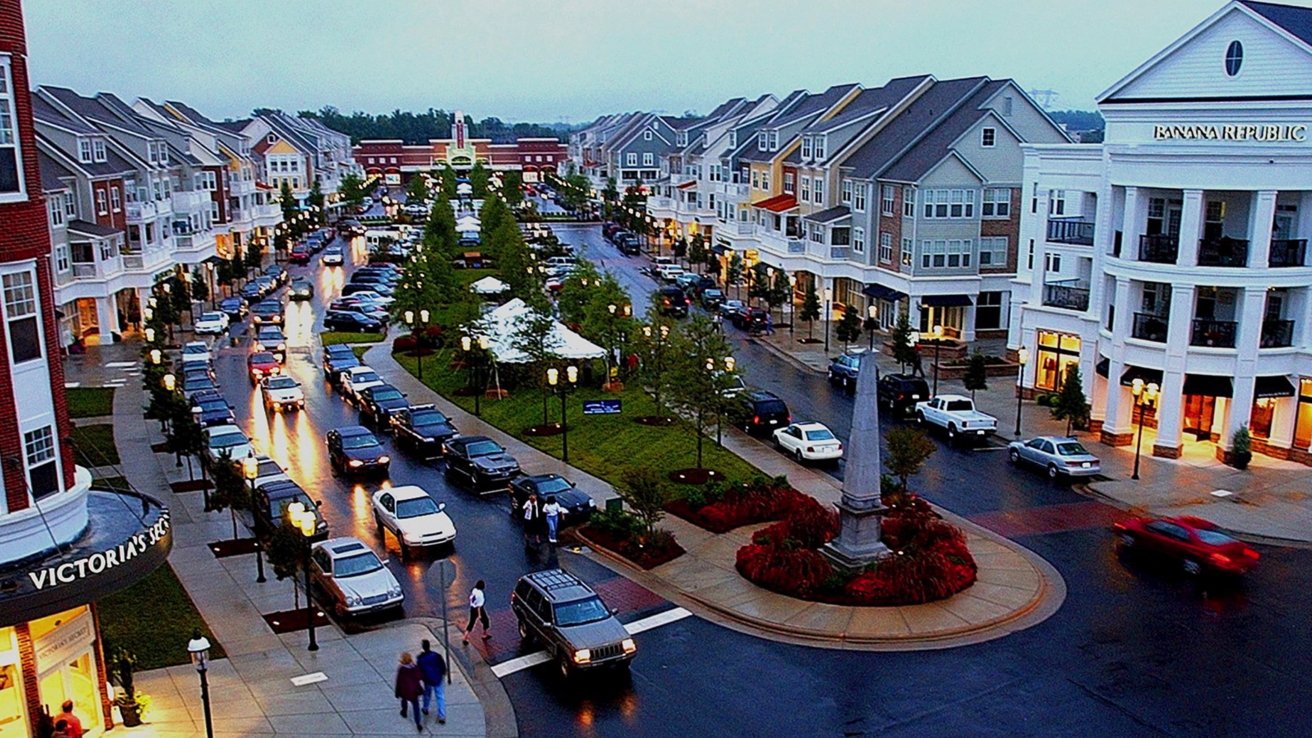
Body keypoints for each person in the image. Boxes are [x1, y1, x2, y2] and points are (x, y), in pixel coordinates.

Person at [416, 639, 447, 725]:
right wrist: (443, 673)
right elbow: (442, 666)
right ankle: (442, 715)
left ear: (423, 647)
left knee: (427, 694)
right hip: (437, 678)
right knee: (440, 696)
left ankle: (425, 708)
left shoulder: (420, 658)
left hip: (427, 679)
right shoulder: (436, 655)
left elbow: (419, 670)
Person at [394, 652, 423, 732]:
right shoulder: (415, 668)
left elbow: (398, 681)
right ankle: (418, 723)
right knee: (416, 706)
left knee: (404, 700)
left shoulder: (401, 669)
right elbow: (420, 677)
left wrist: (397, 692)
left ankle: (404, 711)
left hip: (404, 690)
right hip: (414, 691)